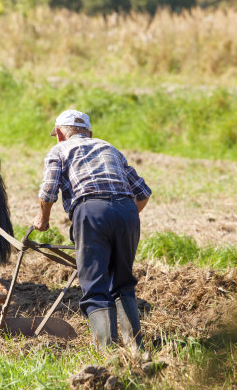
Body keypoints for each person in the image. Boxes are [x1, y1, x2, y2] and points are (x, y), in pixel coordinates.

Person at [32, 109, 152, 351]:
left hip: (91, 210)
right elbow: (143, 193)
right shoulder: (109, 148)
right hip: (127, 212)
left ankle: (108, 353)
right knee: (123, 283)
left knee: (95, 284)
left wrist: (42, 220)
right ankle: (136, 349)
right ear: (90, 133)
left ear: (58, 134)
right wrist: (119, 217)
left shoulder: (59, 150)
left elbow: (48, 192)